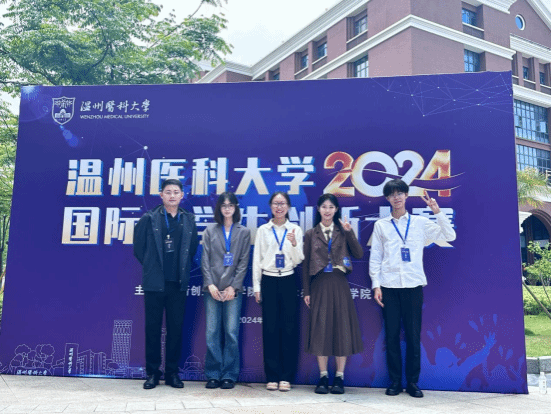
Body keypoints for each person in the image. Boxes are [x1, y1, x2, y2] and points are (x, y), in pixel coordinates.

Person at [369, 179, 456, 398]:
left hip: (413, 286)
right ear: (387, 199)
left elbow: (450, 236)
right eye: (392, 194)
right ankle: (395, 381)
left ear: (406, 196)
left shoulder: (420, 223)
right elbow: (376, 256)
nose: (396, 198)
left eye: (400, 193)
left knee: (413, 336)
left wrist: (437, 212)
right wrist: (376, 284)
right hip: (389, 287)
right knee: (391, 336)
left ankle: (412, 383)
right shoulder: (381, 225)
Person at [133, 179, 199, 390]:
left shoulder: (188, 219)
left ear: (182, 196)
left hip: (177, 283)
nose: (172, 195)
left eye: (176, 192)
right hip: (155, 283)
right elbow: (138, 249)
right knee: (152, 329)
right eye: (168, 192)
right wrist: (152, 267)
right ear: (161, 195)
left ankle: (172, 373)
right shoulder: (149, 218)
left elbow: (192, 248)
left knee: (175, 330)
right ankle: (152, 373)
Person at [303, 194, 364, 395]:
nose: (327, 210)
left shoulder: (343, 231)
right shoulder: (311, 234)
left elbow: (358, 254)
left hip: (339, 284)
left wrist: (349, 232)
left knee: (341, 328)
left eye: (331, 207)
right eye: (324, 207)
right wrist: (307, 291)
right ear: (318, 209)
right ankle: (322, 376)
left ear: (336, 209)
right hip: (319, 284)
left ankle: (339, 376)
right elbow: (305, 265)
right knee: (320, 330)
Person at [253, 192, 304, 392]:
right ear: (271, 206)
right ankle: (272, 376)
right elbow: (257, 259)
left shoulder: (295, 229)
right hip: (269, 280)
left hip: (288, 280)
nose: (279, 207)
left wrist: (293, 244)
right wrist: (257, 286)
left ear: (288, 207)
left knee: (289, 329)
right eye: (276, 203)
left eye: (283, 203)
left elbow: (298, 259)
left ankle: (286, 377)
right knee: (270, 329)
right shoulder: (263, 230)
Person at [202, 192, 251, 390]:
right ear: (219, 208)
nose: (227, 208)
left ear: (236, 208)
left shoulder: (243, 232)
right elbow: (204, 260)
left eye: (231, 205)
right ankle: (213, 374)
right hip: (212, 289)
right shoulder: (210, 230)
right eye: (224, 205)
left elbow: (243, 262)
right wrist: (210, 285)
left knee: (231, 333)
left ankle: (229, 374)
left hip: (233, 290)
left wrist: (234, 286)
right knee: (212, 333)